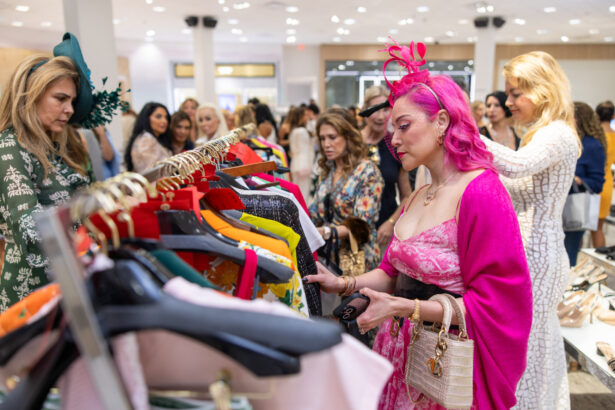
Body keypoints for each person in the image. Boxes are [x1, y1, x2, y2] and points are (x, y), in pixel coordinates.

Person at [307, 40, 532, 409]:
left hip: (443, 359)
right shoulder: (418, 194)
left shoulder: (481, 192)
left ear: (441, 121)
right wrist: (344, 283)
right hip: (399, 350)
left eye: (404, 126)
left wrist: (403, 309)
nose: (393, 141)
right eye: (391, 129)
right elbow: (394, 272)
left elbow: (496, 302)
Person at [479, 51, 581, 409]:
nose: (508, 102)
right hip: (530, 252)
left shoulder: (556, 134)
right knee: (533, 345)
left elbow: (517, 166)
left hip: (540, 255)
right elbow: (520, 193)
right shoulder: (542, 133)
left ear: (542, 90)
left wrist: (465, 133)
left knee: (532, 347)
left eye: (515, 93)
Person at [0, 33, 124, 310]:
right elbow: (32, 230)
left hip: (69, 282)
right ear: (30, 94)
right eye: (61, 99)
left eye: (72, 102)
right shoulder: (9, 149)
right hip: (33, 293)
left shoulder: (53, 146)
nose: (69, 110)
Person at [309, 112, 384, 270]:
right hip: (327, 255)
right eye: (322, 138)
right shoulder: (328, 169)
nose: (326, 144)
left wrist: (326, 231)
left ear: (348, 137)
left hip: (356, 255)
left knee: (352, 293)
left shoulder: (368, 171)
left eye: (332, 137)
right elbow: (315, 211)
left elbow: (362, 225)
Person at [360, 85, 412, 249]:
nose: (381, 117)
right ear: (365, 110)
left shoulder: (395, 144)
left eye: (386, 110)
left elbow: (407, 195)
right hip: (352, 232)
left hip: (384, 233)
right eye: (375, 110)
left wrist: (391, 223)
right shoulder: (352, 142)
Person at [564, 102, 606, 264]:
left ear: (578, 119)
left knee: (568, 255)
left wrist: (578, 180)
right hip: (559, 208)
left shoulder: (592, 145)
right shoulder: (568, 141)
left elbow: (597, 183)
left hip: (574, 207)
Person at [124, 102, 172, 173]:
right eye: (158, 117)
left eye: (166, 117)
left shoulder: (152, 138)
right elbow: (150, 172)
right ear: (147, 118)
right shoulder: (146, 139)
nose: (164, 121)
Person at [592, 100, 615, 247]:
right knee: (598, 229)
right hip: (606, 184)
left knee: (580, 226)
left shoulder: (593, 136)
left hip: (591, 184)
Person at [288, 105, 314, 200]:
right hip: (304, 165)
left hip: (295, 164)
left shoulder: (294, 130)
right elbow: (307, 150)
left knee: (297, 193)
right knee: (303, 194)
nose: (307, 117)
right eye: (305, 115)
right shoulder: (302, 131)